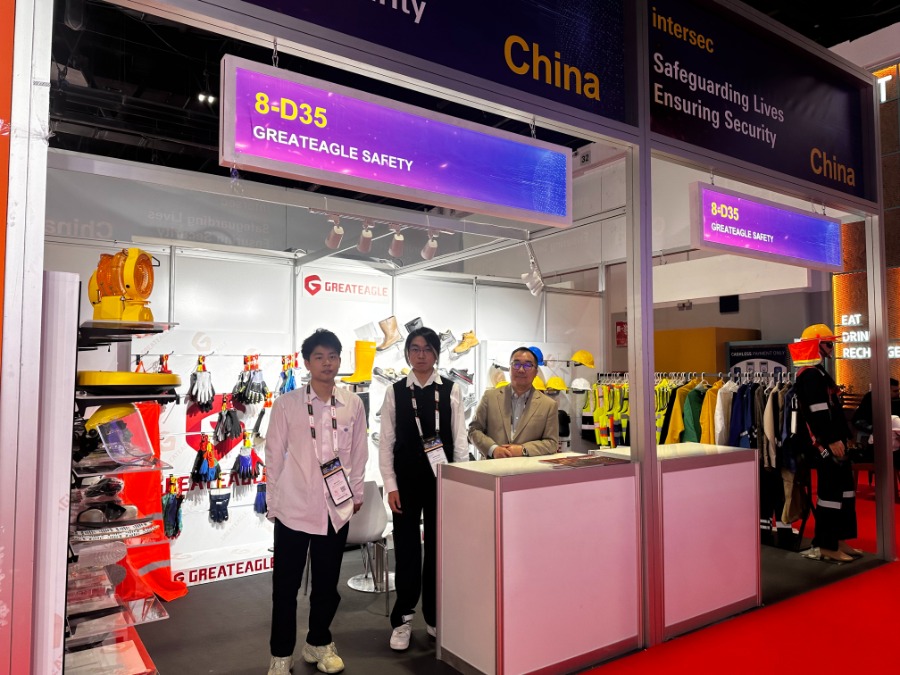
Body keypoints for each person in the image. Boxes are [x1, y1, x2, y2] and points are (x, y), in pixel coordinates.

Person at [265, 329, 368, 675]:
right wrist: (273, 503)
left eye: (333, 356)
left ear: (340, 360)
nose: (327, 363)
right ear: (307, 363)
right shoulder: (287, 404)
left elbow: (359, 453)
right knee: (285, 587)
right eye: (319, 357)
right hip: (294, 508)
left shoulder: (352, 403)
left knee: (327, 585)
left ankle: (318, 642)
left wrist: (356, 494)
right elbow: (273, 455)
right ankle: (281, 654)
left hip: (334, 510)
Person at [378, 327, 468, 650]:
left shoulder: (452, 390)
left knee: (438, 551)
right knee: (406, 551)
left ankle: (434, 615)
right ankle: (403, 619)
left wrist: (458, 484)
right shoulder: (395, 391)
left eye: (427, 349)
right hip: (405, 482)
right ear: (407, 354)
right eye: (414, 349)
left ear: (436, 354)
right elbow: (386, 443)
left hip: (441, 481)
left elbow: (460, 441)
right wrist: (390, 485)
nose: (420, 355)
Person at [789, 324, 859, 563]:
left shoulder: (818, 373)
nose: (832, 348)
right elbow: (816, 414)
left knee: (845, 491)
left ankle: (840, 539)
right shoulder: (809, 375)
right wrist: (831, 441)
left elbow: (832, 410)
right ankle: (826, 545)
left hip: (836, 441)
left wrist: (845, 437)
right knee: (831, 493)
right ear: (816, 346)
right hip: (824, 445)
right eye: (828, 344)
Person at [468, 346, 559, 458]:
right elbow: (474, 430)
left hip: (529, 467)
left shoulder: (548, 405)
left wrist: (523, 450)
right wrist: (493, 449)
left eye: (528, 365)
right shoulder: (490, 397)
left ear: (536, 372)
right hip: (492, 465)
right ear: (509, 368)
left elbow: (552, 443)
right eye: (516, 364)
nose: (521, 370)